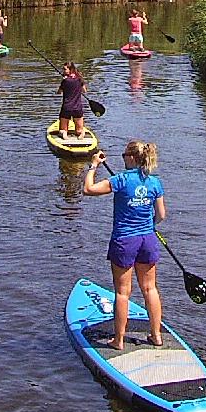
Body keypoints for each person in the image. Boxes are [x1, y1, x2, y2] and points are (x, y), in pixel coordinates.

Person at [83, 140, 166, 350]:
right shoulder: (154, 182)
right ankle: (156, 335)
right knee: (150, 288)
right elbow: (162, 215)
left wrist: (93, 165)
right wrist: (148, 225)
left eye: (123, 155)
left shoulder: (120, 180)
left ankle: (118, 340)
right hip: (147, 239)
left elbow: (88, 189)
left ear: (131, 158)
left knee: (122, 292)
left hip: (124, 240)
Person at [57, 61, 90, 139]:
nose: (63, 71)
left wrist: (65, 80)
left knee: (62, 130)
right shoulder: (79, 79)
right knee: (78, 131)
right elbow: (84, 91)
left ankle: (64, 134)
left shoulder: (65, 81)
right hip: (77, 108)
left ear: (70, 69)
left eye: (65, 69)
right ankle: (82, 133)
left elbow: (59, 92)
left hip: (66, 108)